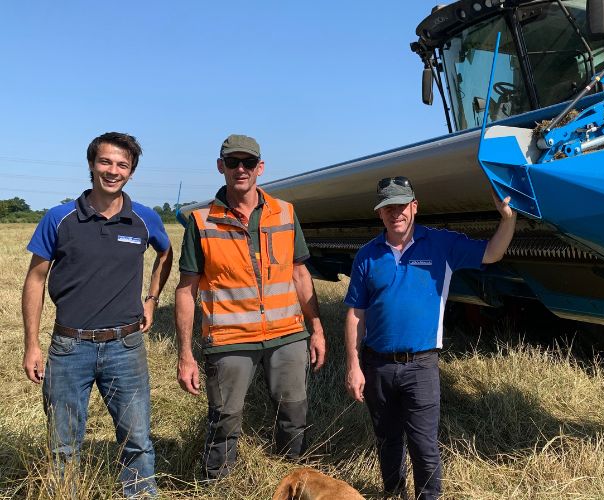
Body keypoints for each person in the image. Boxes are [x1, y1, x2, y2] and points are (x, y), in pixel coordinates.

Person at [344, 176, 516, 499]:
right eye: (389, 208)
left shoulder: (442, 245)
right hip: (377, 366)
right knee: (388, 442)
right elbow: (356, 314)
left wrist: (508, 220)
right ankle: (395, 494)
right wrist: (354, 365)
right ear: (380, 213)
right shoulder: (367, 256)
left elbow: (492, 253)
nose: (397, 213)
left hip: (421, 366)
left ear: (415, 206)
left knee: (424, 445)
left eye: (402, 206)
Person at [21, 132, 173, 498]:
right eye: (105, 162)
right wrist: (32, 344)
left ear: (131, 172)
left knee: (136, 440)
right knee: (63, 444)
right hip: (69, 346)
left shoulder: (144, 218)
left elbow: (166, 255)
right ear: (91, 164)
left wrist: (151, 300)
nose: (113, 170)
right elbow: (35, 280)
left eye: (122, 165)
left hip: (126, 346)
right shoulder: (60, 218)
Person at [175, 134, 326, 480]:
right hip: (229, 338)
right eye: (232, 162)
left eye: (247, 163)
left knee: (294, 410)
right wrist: (185, 354)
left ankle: (291, 477)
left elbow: (300, 274)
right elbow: (186, 291)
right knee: (225, 416)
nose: (240, 169)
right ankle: (218, 482)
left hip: (287, 333)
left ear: (260, 168)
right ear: (220, 167)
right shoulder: (202, 222)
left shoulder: (285, 212)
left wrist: (316, 328)